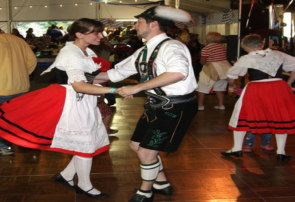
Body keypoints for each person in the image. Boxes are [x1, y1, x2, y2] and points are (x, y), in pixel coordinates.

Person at [0, 18, 114, 198]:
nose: (101, 36)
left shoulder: (86, 51)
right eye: (96, 32)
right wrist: (117, 89)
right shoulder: (71, 53)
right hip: (71, 101)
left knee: (86, 140)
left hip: (84, 100)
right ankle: (84, 185)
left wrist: (123, 74)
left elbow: (93, 78)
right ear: (79, 34)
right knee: (85, 142)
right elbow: (79, 85)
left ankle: (67, 175)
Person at [96, 6, 197, 201]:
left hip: (176, 106)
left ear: (153, 24)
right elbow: (116, 73)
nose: (134, 26)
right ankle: (161, 182)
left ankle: (145, 192)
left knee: (146, 152)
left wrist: (136, 88)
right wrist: (82, 78)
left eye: (138, 22)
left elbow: (178, 73)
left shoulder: (172, 47)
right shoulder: (144, 50)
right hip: (156, 105)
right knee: (136, 146)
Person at [221, 34, 295, 161]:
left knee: (241, 117)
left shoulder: (246, 58)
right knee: (280, 118)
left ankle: (236, 149)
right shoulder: (278, 54)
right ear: (262, 43)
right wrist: (289, 83)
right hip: (279, 88)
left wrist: (231, 86)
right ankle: (281, 152)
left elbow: (232, 74)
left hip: (257, 89)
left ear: (246, 47)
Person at [0, 32, 37, 155]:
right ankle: (25, 141)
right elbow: (32, 60)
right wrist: (23, 74)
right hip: (21, 86)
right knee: (19, 117)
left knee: (3, 119)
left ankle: (4, 146)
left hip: (2, 87)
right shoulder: (18, 40)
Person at [197, 31, 231, 111]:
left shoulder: (206, 48)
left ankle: (200, 105)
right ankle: (221, 105)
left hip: (211, 70)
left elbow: (203, 61)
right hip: (224, 70)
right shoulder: (222, 46)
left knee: (202, 87)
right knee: (220, 88)